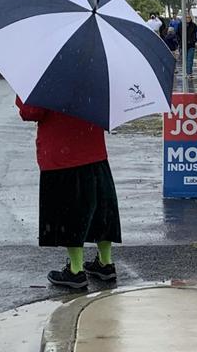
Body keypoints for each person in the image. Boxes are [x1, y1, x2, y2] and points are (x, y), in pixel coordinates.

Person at [17, 97, 121, 289]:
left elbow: (31, 112)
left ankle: (75, 271)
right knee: (102, 210)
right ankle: (105, 264)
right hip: (94, 150)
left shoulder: (51, 76)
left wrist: (21, 95)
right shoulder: (94, 73)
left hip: (62, 156)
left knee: (71, 213)